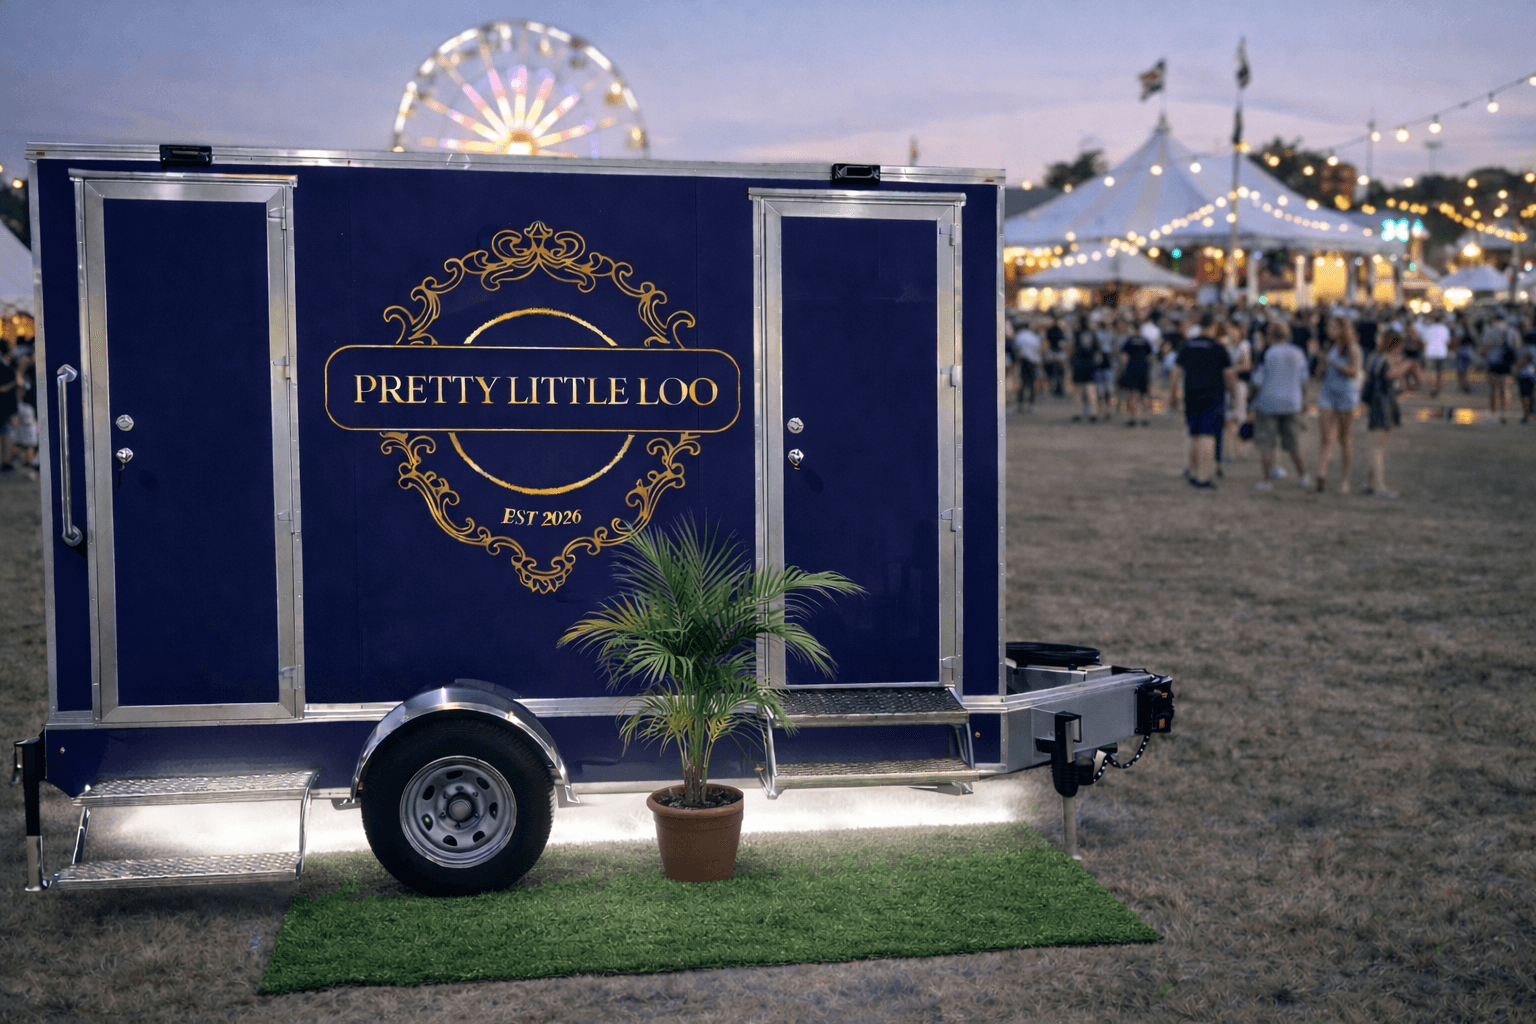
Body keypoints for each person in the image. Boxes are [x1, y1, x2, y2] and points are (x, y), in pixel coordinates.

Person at [1170, 313, 1235, 489]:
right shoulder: (1218, 348)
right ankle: (1203, 476)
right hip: (1213, 396)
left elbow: (1175, 372)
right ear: (1213, 326)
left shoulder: (1188, 345)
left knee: (1194, 434)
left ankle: (1192, 472)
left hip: (1191, 394)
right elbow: (1229, 375)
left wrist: (1172, 394)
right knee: (1208, 436)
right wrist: (1234, 394)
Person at [1250, 321, 1310, 490]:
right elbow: (1304, 381)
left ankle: (1267, 479)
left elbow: (1257, 381)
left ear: (1270, 336)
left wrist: (1250, 401)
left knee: (1267, 444)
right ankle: (1303, 475)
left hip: (1268, 402)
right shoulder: (1298, 353)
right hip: (1292, 402)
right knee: (1294, 444)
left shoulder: (1267, 353)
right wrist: (1304, 401)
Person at [1314, 316, 1362, 494]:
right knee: (1326, 436)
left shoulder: (1352, 349)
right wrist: (1321, 365)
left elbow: (1354, 372)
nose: (1329, 330)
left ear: (1343, 329)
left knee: (1344, 438)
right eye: (1329, 326)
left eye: (1334, 327)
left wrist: (1333, 363)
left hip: (1346, 396)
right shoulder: (1329, 346)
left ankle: (1344, 479)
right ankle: (1322, 473)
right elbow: (1319, 374)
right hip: (1328, 393)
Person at [1361, 329, 1410, 498]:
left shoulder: (1376, 358)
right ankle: (1379, 486)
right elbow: (1390, 376)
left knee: (1378, 446)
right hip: (1380, 404)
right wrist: (1406, 365)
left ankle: (1370, 483)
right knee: (1377, 447)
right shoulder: (1382, 359)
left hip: (1382, 403)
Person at [1222, 320, 1253, 463]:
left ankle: (1240, 450)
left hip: (1239, 384)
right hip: (1227, 385)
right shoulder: (1226, 344)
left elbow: (1247, 365)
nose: (1231, 333)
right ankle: (1230, 452)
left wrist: (1230, 370)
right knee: (1229, 419)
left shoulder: (1244, 345)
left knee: (1239, 418)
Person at [1118, 320, 1154, 425]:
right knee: (1144, 393)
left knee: (1132, 393)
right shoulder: (1145, 340)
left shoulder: (1129, 340)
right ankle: (1145, 417)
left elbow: (1123, 357)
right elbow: (1150, 356)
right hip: (1143, 369)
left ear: (1133, 329)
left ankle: (1133, 418)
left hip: (1132, 369)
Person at [1483, 314, 1517, 424]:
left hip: (1493, 361)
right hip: (1507, 362)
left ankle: (1493, 413)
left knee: (1493, 388)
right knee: (1505, 388)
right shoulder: (1511, 330)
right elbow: (1516, 345)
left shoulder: (1491, 330)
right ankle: (1505, 413)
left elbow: (1486, 345)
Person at [1069, 317, 1099, 422]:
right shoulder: (1092, 334)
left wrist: (1070, 360)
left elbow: (1072, 348)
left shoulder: (1076, 334)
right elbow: (1097, 349)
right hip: (1090, 364)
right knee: (1091, 390)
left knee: (1077, 390)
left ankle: (1077, 413)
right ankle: (1093, 413)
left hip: (1079, 363)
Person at [1417, 311, 1451, 398]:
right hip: (1442, 352)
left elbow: (1424, 342)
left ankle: (1433, 388)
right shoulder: (1445, 329)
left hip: (1430, 352)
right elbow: (1448, 341)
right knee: (1440, 372)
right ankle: (1438, 388)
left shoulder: (1429, 328)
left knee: (1432, 371)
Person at [1015, 316, 1042, 412]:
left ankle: (1020, 404)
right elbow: (1038, 349)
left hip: (1023, 361)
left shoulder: (1019, 335)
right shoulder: (1034, 336)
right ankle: (1031, 404)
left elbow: (1017, 348)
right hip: (1033, 362)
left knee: (1022, 383)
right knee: (1032, 384)